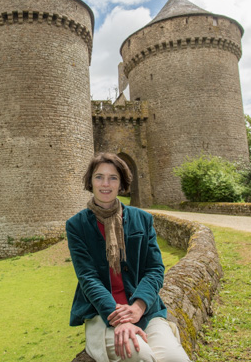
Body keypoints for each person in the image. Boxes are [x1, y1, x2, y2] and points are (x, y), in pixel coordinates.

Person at [66, 153, 191, 362]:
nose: (105, 184)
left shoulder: (142, 219)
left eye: (113, 178)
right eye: (99, 177)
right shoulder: (76, 225)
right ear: (90, 181)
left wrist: (138, 307)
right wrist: (119, 320)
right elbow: (88, 277)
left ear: (122, 183)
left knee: (174, 358)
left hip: (143, 309)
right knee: (139, 354)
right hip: (102, 313)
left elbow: (155, 269)